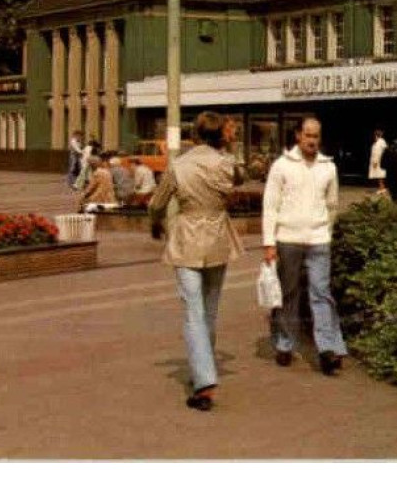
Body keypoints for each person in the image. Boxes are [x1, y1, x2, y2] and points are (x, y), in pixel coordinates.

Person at [148, 112, 244, 412]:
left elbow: (156, 203)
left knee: (193, 310)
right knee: (210, 308)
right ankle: (205, 369)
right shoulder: (227, 163)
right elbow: (240, 179)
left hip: (187, 237)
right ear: (219, 135)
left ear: (195, 136)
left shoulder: (179, 166)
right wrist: (230, 146)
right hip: (217, 236)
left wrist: (156, 223)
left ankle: (204, 380)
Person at [262, 115, 348, 375]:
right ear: (298, 135)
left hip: (318, 240)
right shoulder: (281, 166)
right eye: (308, 135)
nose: (312, 141)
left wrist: (325, 231)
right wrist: (269, 243)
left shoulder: (328, 167)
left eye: (316, 136)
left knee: (321, 293)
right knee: (288, 294)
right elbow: (270, 206)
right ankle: (285, 344)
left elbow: (332, 205)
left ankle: (328, 350)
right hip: (287, 240)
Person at [368, 129, 388, 197]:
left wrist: (376, 161)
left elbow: (379, 152)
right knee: (378, 175)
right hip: (375, 160)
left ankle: (383, 188)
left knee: (380, 175)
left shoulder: (381, 142)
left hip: (379, 161)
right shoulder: (376, 142)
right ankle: (381, 188)